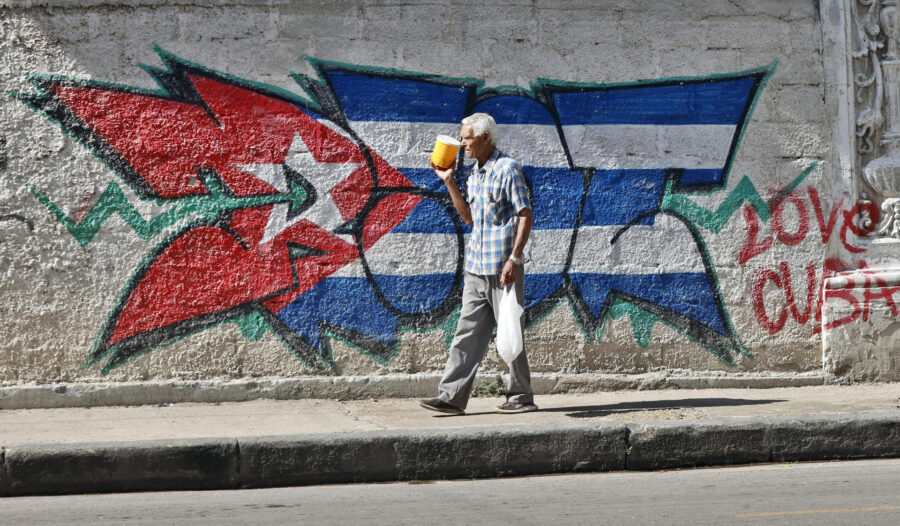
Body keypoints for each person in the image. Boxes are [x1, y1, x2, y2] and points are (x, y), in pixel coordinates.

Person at [419, 112, 537, 415]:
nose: (462, 144)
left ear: (485, 138)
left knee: (510, 333)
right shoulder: (474, 174)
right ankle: (451, 397)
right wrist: (449, 181)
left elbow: (525, 215)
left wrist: (514, 259)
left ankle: (521, 396)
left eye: (467, 138)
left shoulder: (508, 169)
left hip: (503, 269)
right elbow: (469, 218)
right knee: (466, 334)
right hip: (476, 267)